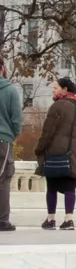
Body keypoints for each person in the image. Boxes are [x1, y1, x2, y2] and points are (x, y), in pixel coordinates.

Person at [35, 77, 76, 231]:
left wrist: (39, 148)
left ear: (65, 89)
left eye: (56, 88)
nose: (54, 90)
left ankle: (51, 219)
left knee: (52, 186)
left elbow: (48, 131)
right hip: (73, 152)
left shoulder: (57, 106)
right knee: (70, 187)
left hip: (56, 150)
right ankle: (68, 220)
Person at [0, 59, 23, 233]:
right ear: (2, 68)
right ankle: (2, 220)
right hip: (2, 140)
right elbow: (16, 120)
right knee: (3, 180)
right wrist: (11, 135)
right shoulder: (10, 91)